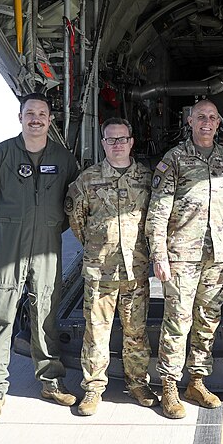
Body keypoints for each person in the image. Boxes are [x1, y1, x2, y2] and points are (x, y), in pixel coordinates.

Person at [0, 93, 80, 421]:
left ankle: (50, 381)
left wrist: (49, 227)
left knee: (45, 315)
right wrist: (6, 227)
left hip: (46, 250)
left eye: (42, 114)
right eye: (29, 113)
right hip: (7, 250)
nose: (36, 119)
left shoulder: (63, 158)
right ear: (20, 118)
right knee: (0, 318)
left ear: (49, 120)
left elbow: (73, 203)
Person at [145, 99, 223, 419]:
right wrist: (159, 254)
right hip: (181, 255)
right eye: (201, 116)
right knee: (177, 321)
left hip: (217, 256)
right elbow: (157, 211)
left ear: (217, 123)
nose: (207, 122)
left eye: (212, 117)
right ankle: (169, 386)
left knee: (207, 320)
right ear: (189, 121)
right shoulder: (174, 159)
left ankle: (197, 381)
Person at [64, 117, 157, 416]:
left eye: (122, 139)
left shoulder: (146, 177)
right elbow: (77, 221)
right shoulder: (87, 180)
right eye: (110, 139)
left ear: (131, 142)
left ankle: (138, 383)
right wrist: (97, 247)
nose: (117, 144)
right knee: (96, 333)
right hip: (100, 271)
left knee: (136, 332)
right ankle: (93, 388)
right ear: (103, 143)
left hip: (136, 269)